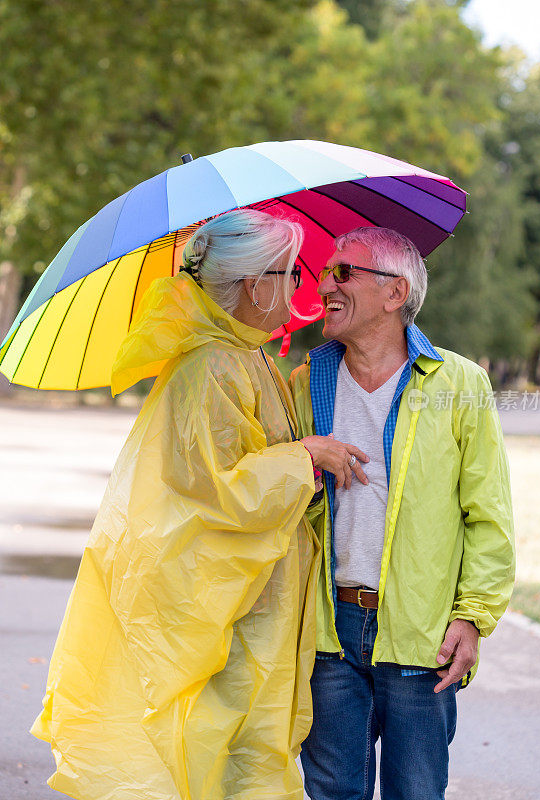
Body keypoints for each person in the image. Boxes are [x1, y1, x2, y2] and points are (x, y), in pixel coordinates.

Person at [30, 209, 368, 800]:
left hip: (254, 601)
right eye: (288, 274)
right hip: (225, 611)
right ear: (251, 285)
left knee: (242, 754)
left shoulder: (248, 357)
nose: (300, 287)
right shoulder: (210, 366)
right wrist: (305, 456)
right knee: (213, 754)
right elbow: (217, 493)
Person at [289, 226, 515, 800]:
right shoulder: (302, 384)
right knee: (332, 793)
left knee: (415, 793)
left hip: (424, 635)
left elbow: (488, 516)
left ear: (396, 293)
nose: (325, 284)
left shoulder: (460, 384)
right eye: (325, 272)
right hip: (329, 634)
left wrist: (474, 617)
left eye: (343, 272)